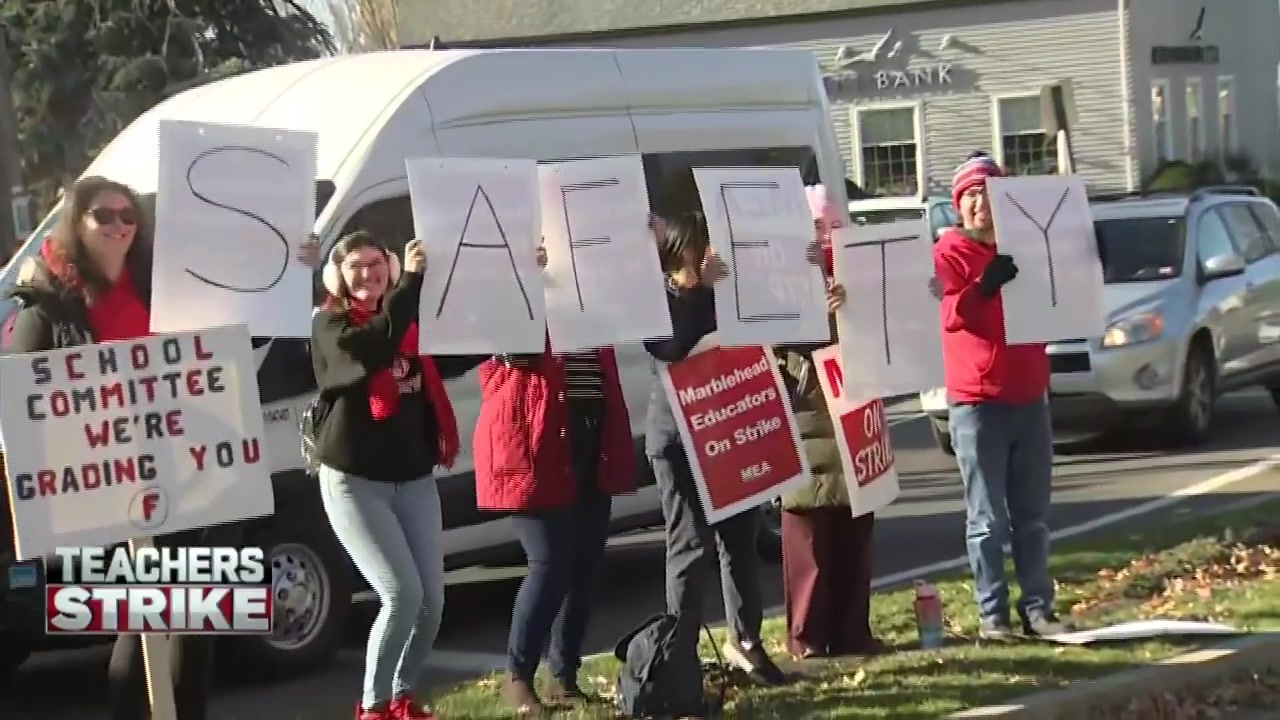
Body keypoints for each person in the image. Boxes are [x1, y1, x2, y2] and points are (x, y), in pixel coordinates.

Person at [2, 176, 313, 720]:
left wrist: (298, 269)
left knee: (200, 614)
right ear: (77, 223)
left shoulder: (166, 287)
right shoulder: (46, 307)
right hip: (106, 484)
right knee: (139, 618)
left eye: (129, 215)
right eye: (105, 215)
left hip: (191, 472)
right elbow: (26, 403)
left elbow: (242, 327)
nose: (120, 224)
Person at [472, 245, 636, 714]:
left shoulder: (590, 289)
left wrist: (644, 244)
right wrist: (530, 278)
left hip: (590, 437)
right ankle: (518, 676)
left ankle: (564, 675)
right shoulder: (513, 287)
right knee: (550, 564)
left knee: (583, 569)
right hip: (537, 444)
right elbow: (516, 349)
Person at [311, 231, 460, 720]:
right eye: (355, 265)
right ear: (337, 274)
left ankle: (401, 696)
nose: (367, 273)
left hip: (412, 477)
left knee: (432, 601)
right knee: (401, 593)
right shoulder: (331, 326)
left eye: (377, 263)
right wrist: (410, 284)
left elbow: (471, 329)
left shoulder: (411, 319)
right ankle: (372, 708)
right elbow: (374, 349)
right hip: (355, 481)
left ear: (390, 267)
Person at [642, 212, 787, 687]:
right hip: (679, 440)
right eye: (698, 247)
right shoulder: (656, 296)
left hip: (728, 432)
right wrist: (700, 290)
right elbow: (671, 346)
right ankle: (678, 655)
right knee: (689, 547)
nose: (707, 254)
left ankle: (746, 641)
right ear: (682, 252)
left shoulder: (722, 291)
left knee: (739, 542)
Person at [934, 152, 1064, 640]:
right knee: (988, 519)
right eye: (970, 196)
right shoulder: (947, 253)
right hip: (978, 403)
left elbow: (1062, 293)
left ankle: (1039, 608)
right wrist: (985, 285)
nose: (980, 204)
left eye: (988, 194)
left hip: (1030, 396)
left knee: (1032, 517)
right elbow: (951, 314)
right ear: (958, 205)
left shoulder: (1029, 247)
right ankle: (993, 616)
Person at [777, 184, 884, 660]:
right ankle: (807, 637)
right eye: (818, 226)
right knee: (809, 535)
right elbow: (771, 347)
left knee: (856, 529)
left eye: (835, 225)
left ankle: (852, 632)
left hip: (858, 416)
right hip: (810, 416)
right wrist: (817, 318)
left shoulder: (864, 274)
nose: (827, 235)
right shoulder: (782, 278)